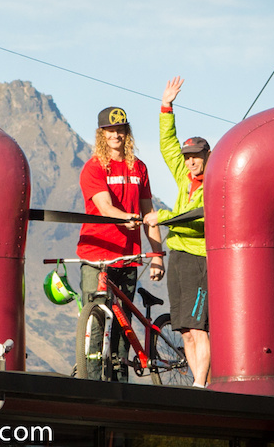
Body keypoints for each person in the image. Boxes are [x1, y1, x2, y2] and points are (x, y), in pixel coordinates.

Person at [77, 106, 165, 381]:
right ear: (101, 134)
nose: (116, 135)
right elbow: (104, 207)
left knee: (122, 326)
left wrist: (157, 255)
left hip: (128, 257)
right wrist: (124, 217)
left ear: (127, 133)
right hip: (96, 257)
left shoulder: (139, 167)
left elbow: (149, 214)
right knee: (95, 323)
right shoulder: (93, 168)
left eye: (120, 130)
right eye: (110, 130)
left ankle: (120, 384)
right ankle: (91, 385)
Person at [143, 76, 211, 388]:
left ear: (207, 156)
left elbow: (196, 219)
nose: (191, 161)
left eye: (196, 155)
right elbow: (168, 146)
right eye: (188, 156)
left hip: (200, 260)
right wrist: (166, 107)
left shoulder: (213, 184)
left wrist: (163, 217)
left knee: (198, 327)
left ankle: (200, 384)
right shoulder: (185, 175)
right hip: (179, 256)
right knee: (183, 329)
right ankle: (198, 385)